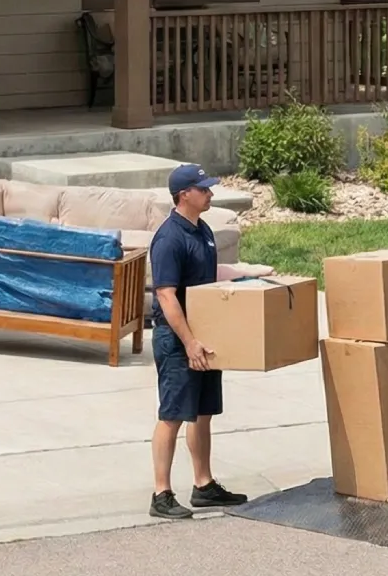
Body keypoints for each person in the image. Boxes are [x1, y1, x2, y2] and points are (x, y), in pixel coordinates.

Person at [148, 163, 274, 520]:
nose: (210, 194)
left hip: (205, 333)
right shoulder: (170, 238)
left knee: (203, 413)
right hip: (178, 339)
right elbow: (168, 296)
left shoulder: (201, 229)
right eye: (203, 189)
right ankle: (161, 493)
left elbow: (209, 274)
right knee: (172, 414)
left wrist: (250, 273)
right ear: (183, 194)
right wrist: (188, 342)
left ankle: (203, 485)